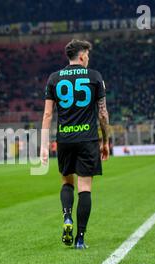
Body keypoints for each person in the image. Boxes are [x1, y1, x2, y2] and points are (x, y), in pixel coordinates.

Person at [41, 39, 110, 249]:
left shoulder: (54, 78)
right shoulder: (95, 76)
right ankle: (80, 238)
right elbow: (103, 114)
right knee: (85, 187)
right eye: (87, 55)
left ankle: (67, 217)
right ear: (82, 56)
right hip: (87, 139)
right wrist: (105, 140)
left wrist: (44, 145)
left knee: (66, 182)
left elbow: (47, 114)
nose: (88, 58)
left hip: (65, 139)